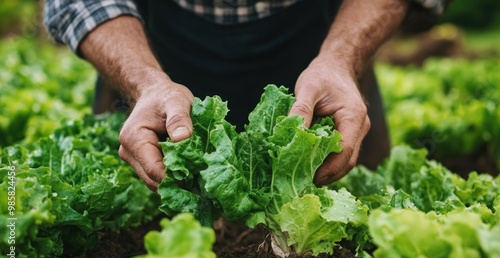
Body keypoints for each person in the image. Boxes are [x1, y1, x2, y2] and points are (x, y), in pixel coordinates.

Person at [45, 0, 448, 191]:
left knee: (356, 194)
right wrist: (145, 81)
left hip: (326, 46)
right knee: (129, 213)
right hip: (150, 51)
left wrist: (342, 58)